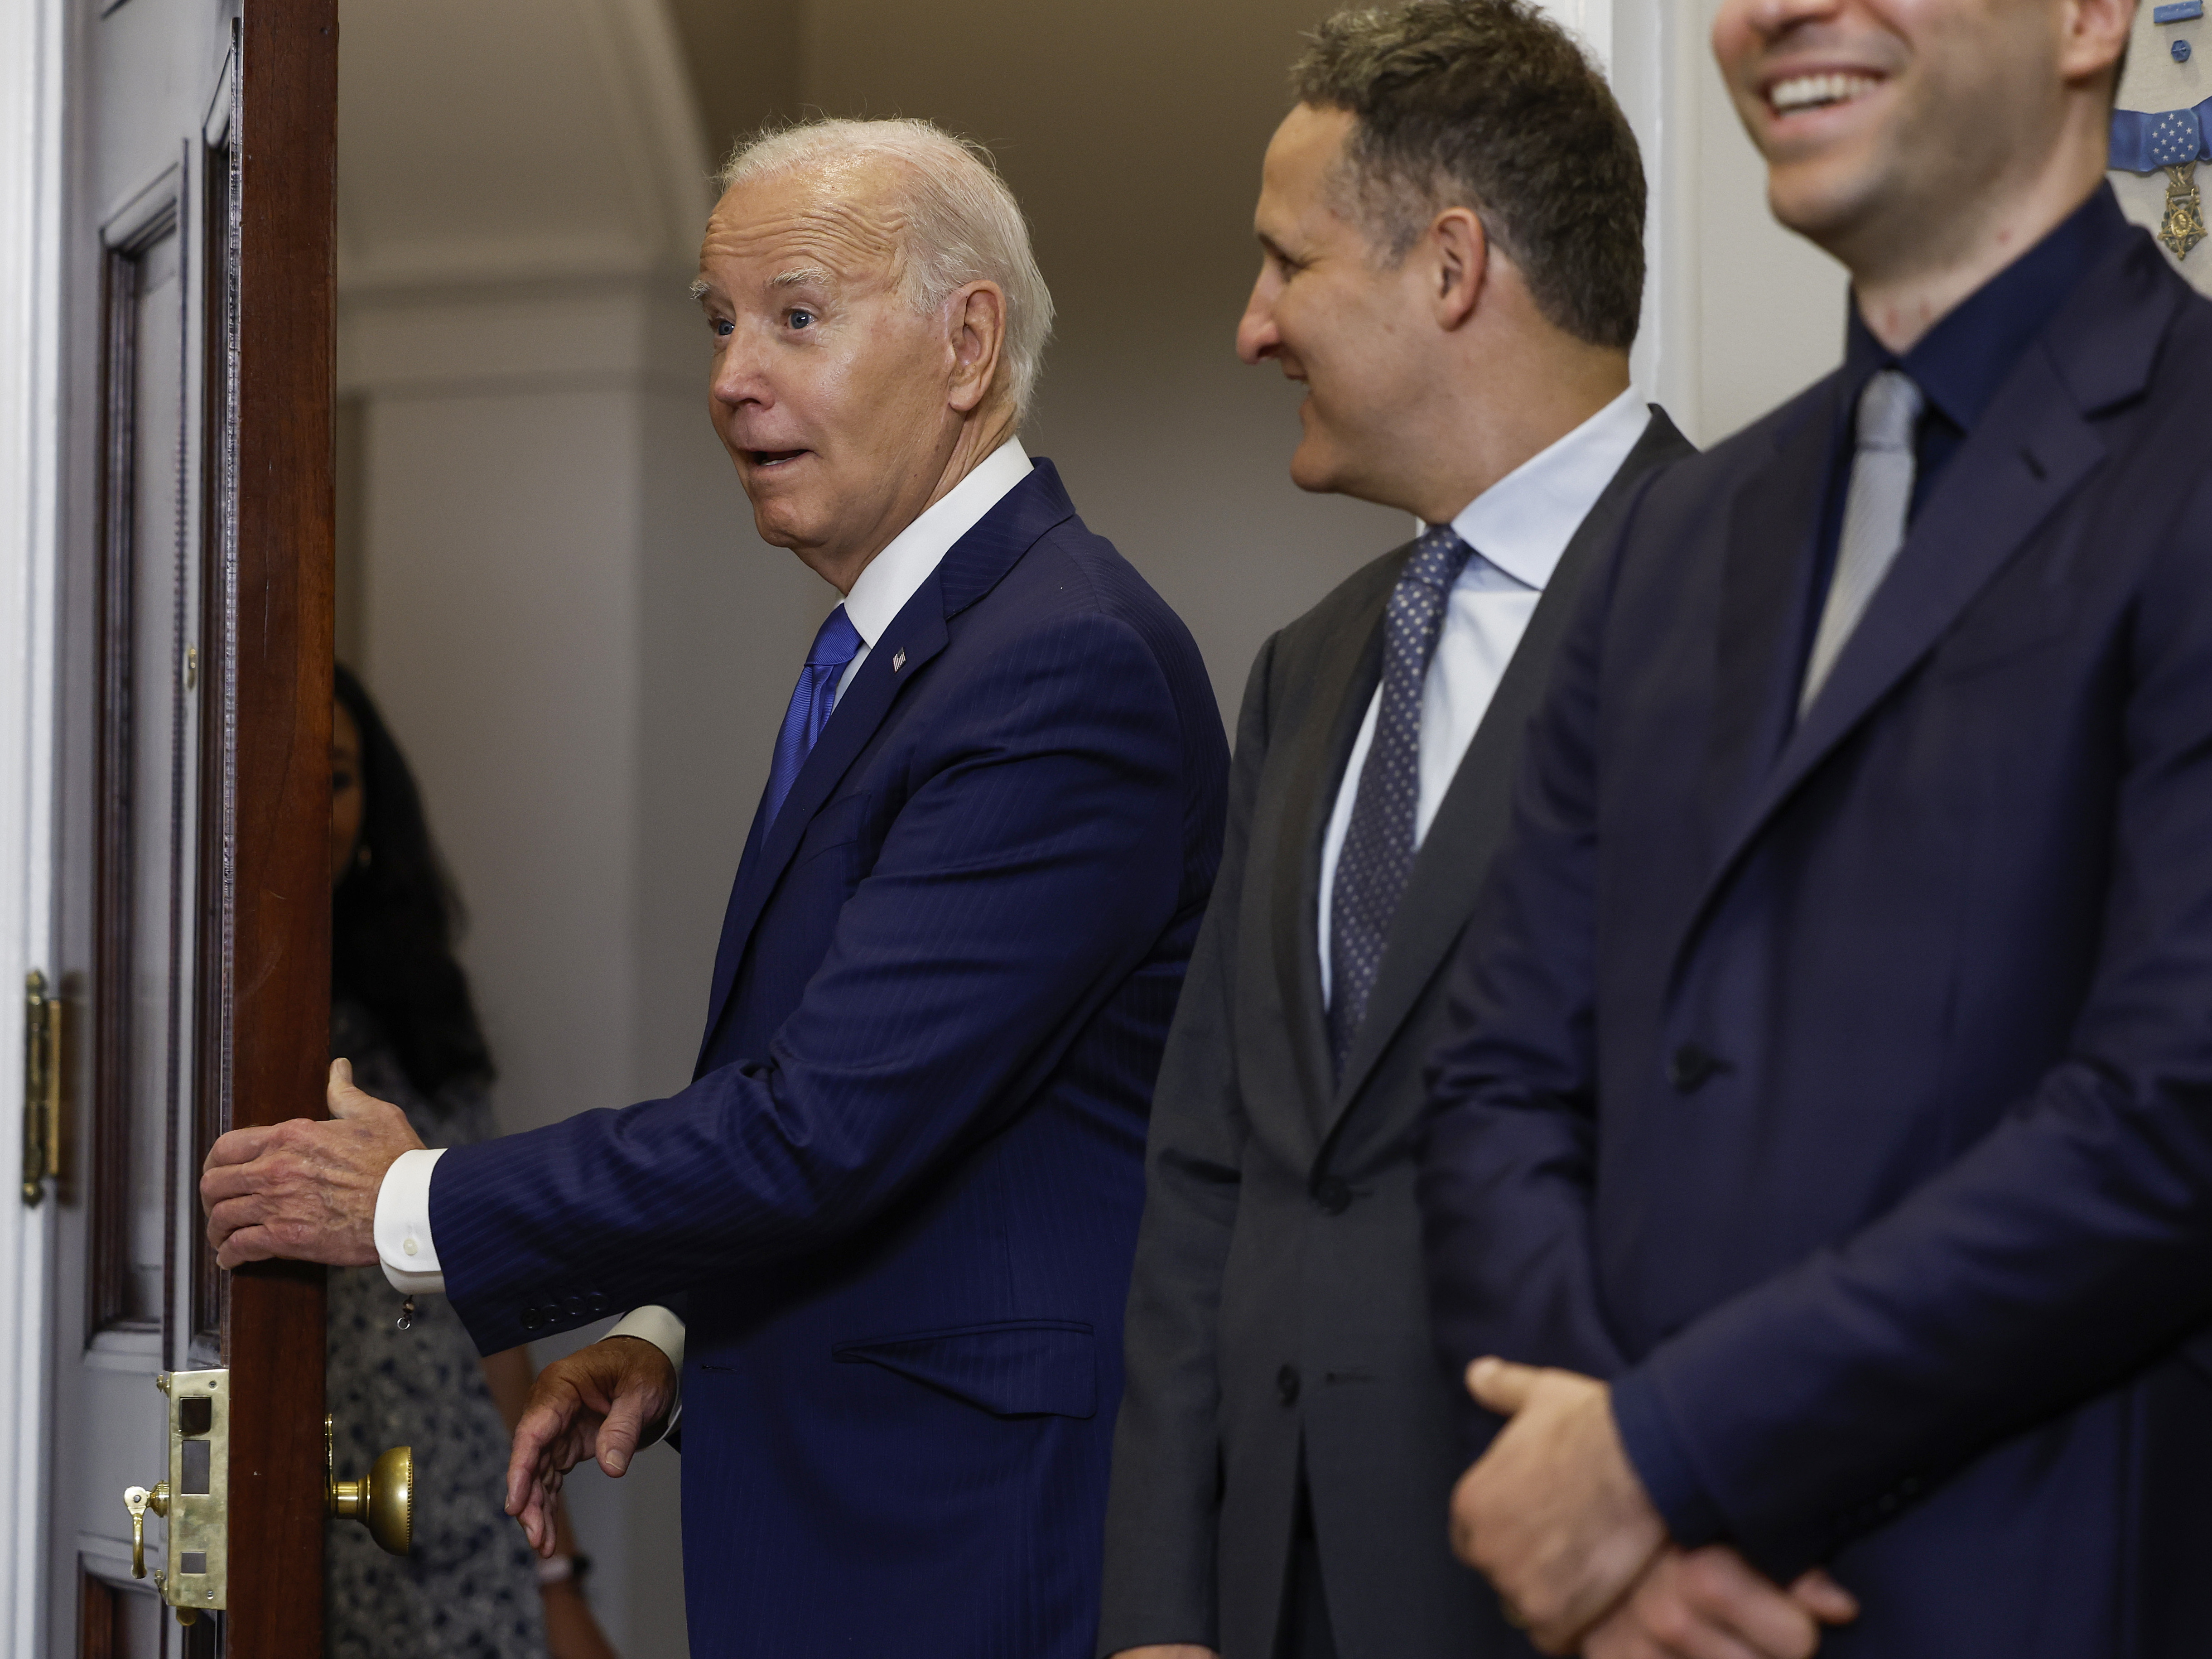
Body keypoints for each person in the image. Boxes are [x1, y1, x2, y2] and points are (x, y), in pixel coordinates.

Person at [202, 118, 1228, 1659]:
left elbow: (824, 1124)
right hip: (857, 1518)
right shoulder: (907, 642)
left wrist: (407, 1202)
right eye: (719, 322)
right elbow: (896, 1108)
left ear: (967, 346)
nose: (732, 377)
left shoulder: (1059, 659)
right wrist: (671, 1326)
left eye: (796, 316)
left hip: (965, 1546)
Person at [1416, 0, 2212, 1653]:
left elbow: (2170, 1116)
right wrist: (1604, 1508)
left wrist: (1659, 1457)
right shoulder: (1670, 537)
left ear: (2087, 19)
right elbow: (1496, 1075)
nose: (1775, 13)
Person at [1097, 7, 1690, 1658]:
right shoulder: (1307, 668)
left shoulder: (1745, 602)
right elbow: (1208, 1164)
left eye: (1286, 263)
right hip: (1264, 1596)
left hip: (1579, 1589)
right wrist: (1159, 1608)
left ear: (1449, 267)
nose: (1249, 326)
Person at [326, 665, 617, 1659]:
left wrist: (557, 1576)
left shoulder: (414, 1016)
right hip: (303, 1495)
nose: (315, 809)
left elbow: (488, 1291)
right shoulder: (203, 1019)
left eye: (338, 778)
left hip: (453, 1502)